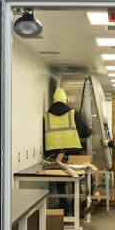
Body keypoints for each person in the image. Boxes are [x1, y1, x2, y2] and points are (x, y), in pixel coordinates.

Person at [43, 86, 91, 215]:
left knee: (60, 181)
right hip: (73, 152)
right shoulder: (73, 114)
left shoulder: (46, 116)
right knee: (76, 179)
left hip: (54, 154)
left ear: (53, 100)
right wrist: (90, 130)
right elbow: (84, 132)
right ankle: (76, 208)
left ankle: (64, 208)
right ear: (65, 100)